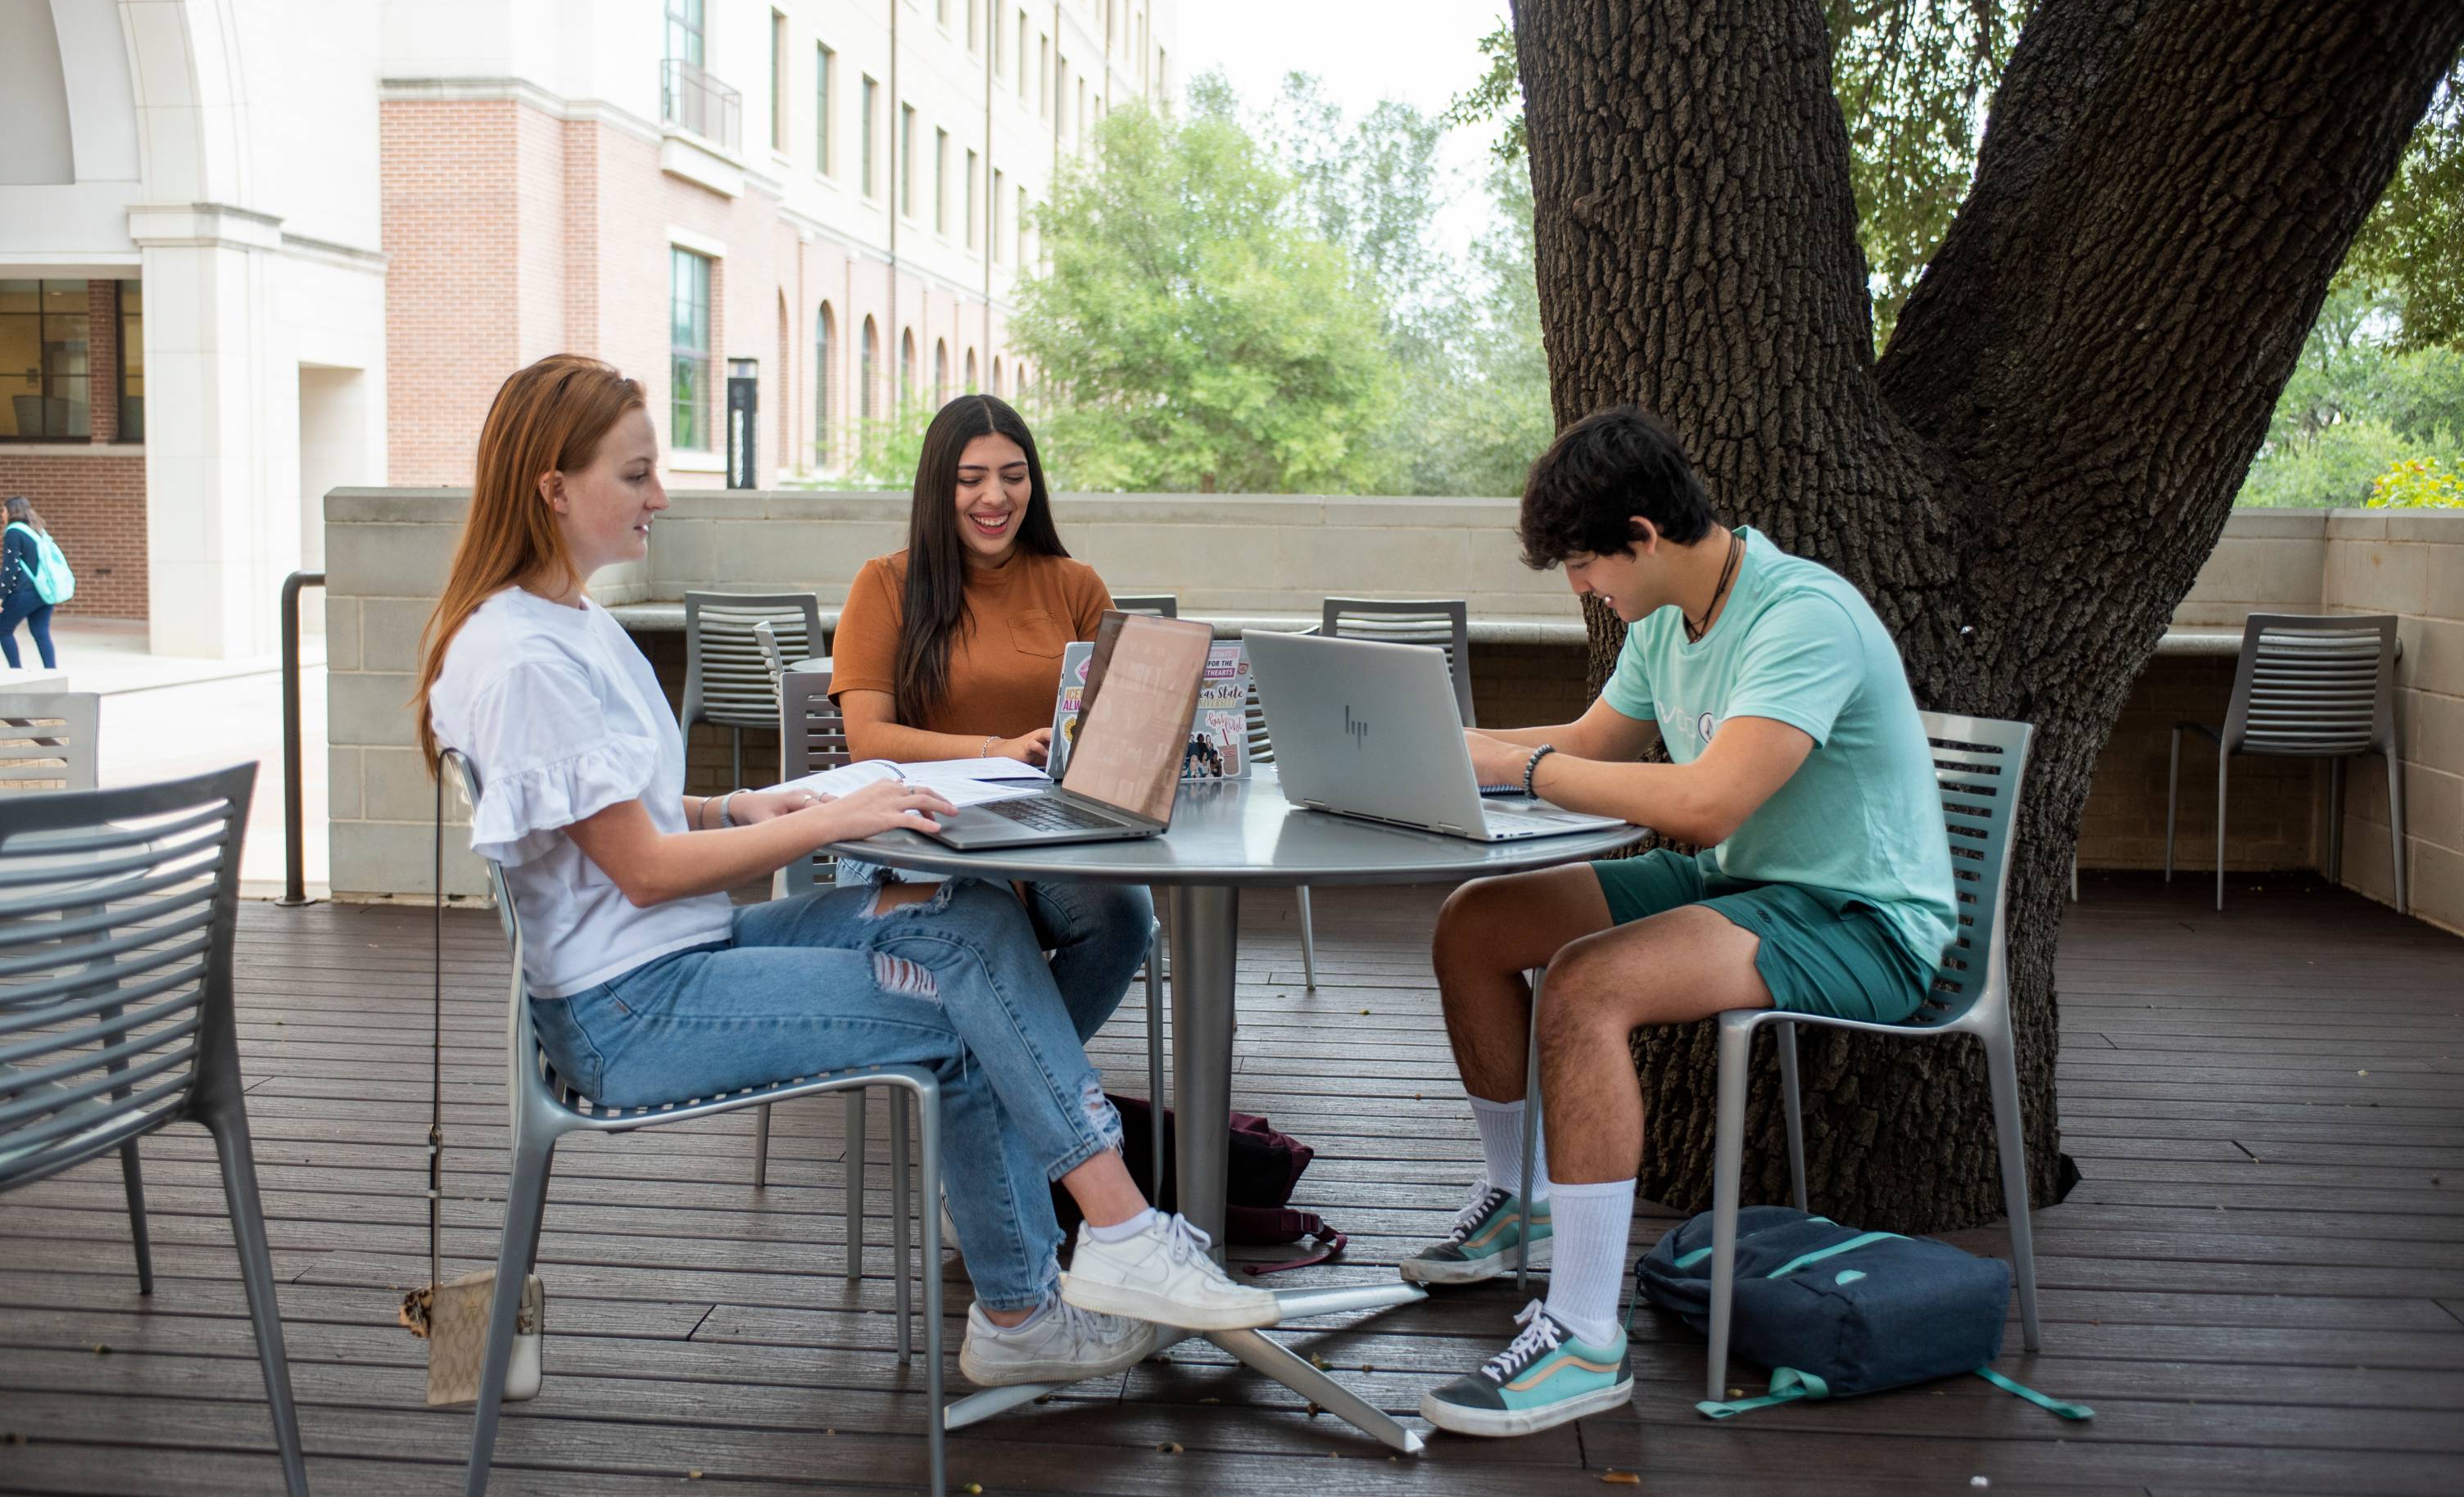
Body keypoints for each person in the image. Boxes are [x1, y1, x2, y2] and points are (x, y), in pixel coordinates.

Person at [416, 356, 1280, 1392]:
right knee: (970, 1009)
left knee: (967, 926)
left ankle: (1094, 1249)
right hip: (629, 1006)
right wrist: (845, 810)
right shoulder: (521, 658)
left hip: (680, 950)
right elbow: (641, 872)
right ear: (553, 489)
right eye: (637, 474)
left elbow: (617, 823)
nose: (661, 494)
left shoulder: (573, 624)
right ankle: (1049, 1286)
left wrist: (736, 806)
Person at [1408, 408, 1958, 1437]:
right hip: (1738, 886)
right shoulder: (1663, 620)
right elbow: (1590, 741)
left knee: (1584, 985)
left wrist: (1514, 767)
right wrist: (1445, 745)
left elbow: (1707, 803)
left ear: (1642, 536)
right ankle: (1518, 1197)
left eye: (1582, 563)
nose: (1580, 588)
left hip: (1858, 919)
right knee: (1474, 925)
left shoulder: (1803, 615)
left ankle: (1581, 1337)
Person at [829, 394, 1154, 1047]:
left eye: (1013, 475)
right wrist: (996, 749)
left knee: (1126, 915)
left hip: (1045, 830)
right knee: (981, 915)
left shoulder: (1076, 585)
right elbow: (867, 737)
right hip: (911, 824)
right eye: (971, 478)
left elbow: (1118, 725)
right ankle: (1030, 1097)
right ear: (937, 486)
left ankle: (1000, 1087)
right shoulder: (886, 585)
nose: (995, 497)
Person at [1, 496, 60, 670]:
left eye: (3, 510)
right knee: (41, 632)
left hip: (24, 592)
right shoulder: (36, 530)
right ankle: (51, 672)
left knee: (3, 630)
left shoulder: (13, 532)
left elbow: (10, 567)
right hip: (45, 592)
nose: (2, 515)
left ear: (12, 511)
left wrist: (1, 596)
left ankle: (16, 672)